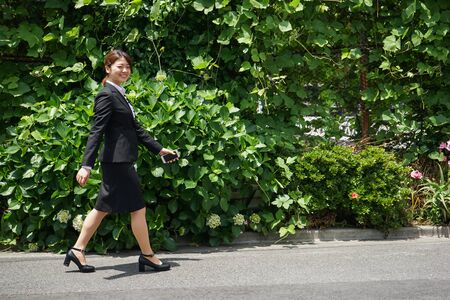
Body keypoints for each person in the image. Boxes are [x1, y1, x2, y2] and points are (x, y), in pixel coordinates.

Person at [63, 49, 178, 273]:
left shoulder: (119, 94)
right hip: (117, 162)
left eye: (127, 67)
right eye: (119, 67)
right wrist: (86, 165)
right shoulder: (107, 95)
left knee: (102, 208)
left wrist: (160, 150)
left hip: (119, 161)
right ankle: (147, 255)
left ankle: (77, 250)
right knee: (138, 209)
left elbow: (136, 129)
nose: (125, 70)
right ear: (108, 69)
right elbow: (96, 131)